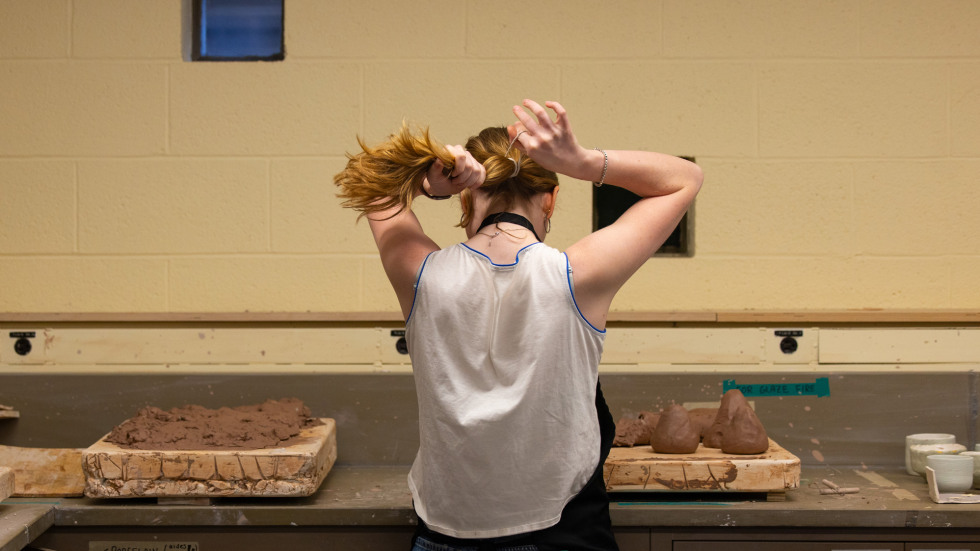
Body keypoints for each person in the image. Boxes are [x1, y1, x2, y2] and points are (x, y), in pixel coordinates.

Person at [334, 99, 703, 551]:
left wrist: (429, 184)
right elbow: (685, 179)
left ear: (467, 195)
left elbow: (370, 177)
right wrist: (583, 162)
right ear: (550, 198)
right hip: (563, 536)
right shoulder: (578, 275)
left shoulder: (421, 274)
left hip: (446, 535)